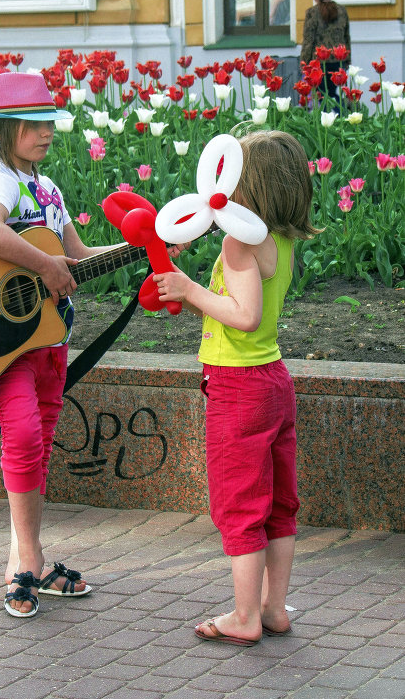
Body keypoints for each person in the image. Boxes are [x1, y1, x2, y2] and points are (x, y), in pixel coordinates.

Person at [0, 71, 185, 618]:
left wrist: (148, 243)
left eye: (49, 122)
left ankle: (22, 556)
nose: (45, 132)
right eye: (32, 124)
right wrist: (43, 264)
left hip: (50, 338)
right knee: (20, 433)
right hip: (6, 344)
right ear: (0, 131)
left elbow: (80, 255)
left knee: (37, 443)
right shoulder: (0, 182)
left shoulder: (48, 189)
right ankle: (31, 561)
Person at [153, 130, 320, 646]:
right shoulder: (281, 238)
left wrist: (189, 288)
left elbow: (244, 316)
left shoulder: (239, 241)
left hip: (238, 386)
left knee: (239, 504)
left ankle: (244, 617)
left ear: (249, 189)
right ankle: (272, 608)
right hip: (274, 380)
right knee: (278, 504)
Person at [300, 0, 351, 101]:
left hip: (317, 64)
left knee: (321, 96)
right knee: (334, 94)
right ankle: (341, 115)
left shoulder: (312, 13)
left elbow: (308, 41)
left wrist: (304, 62)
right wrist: (347, 60)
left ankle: (328, 117)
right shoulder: (342, 11)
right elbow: (346, 37)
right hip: (337, 62)